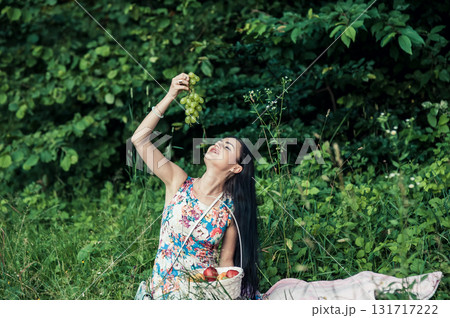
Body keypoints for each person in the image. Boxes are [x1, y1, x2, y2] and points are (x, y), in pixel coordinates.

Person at [132, 73, 443, 300]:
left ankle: (389, 287)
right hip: (163, 294)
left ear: (236, 168)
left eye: (227, 147)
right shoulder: (177, 182)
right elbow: (139, 139)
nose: (215, 145)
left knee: (299, 295)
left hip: (204, 296)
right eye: (218, 142)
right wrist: (171, 94)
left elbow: (227, 267)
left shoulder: (229, 210)